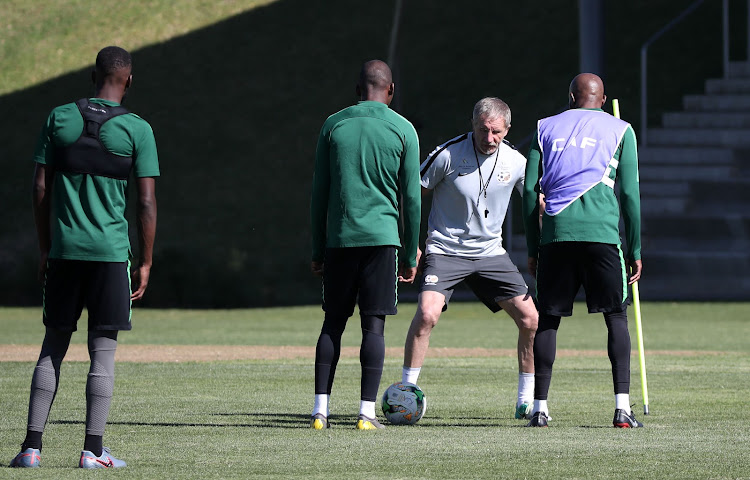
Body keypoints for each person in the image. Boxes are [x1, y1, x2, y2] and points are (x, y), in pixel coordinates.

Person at [9, 46, 159, 468]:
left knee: (53, 345)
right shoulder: (137, 129)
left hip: (64, 253)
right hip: (110, 256)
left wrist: (45, 246)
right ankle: (92, 450)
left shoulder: (59, 117)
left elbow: (39, 188)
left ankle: (31, 449)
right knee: (103, 351)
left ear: (93, 74)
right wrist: (145, 260)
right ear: (128, 80)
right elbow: (146, 203)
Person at [401, 97, 539, 420]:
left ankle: (526, 399)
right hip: (445, 250)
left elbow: (535, 199)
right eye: (482, 130)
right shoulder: (447, 155)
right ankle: (406, 394)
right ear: (472, 125)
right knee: (426, 314)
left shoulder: (516, 161)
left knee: (531, 319)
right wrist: (412, 243)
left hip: (491, 254)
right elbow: (412, 194)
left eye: (496, 132)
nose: (488, 138)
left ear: (507, 130)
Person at [522, 73, 642, 428]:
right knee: (616, 318)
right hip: (603, 238)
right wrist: (634, 247)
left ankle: (539, 409)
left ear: (570, 96)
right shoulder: (622, 130)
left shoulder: (544, 127)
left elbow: (530, 193)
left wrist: (533, 245)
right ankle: (622, 409)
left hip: (556, 238)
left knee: (549, 319)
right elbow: (631, 196)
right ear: (602, 100)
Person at [309, 60, 421, 430]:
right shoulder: (404, 129)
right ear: (390, 91)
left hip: (340, 241)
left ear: (358, 89)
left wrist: (317, 249)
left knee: (332, 325)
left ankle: (320, 413)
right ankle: (366, 414)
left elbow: (319, 195)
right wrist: (409, 254)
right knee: (373, 329)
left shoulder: (333, 124)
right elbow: (412, 201)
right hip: (382, 242)